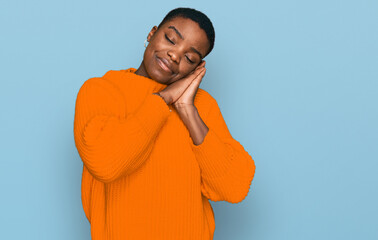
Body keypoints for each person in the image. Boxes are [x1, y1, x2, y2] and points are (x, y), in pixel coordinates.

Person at [73, 7, 255, 240]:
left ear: (197, 68)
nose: (175, 55)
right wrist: (163, 100)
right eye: (171, 39)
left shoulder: (202, 106)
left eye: (190, 57)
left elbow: (234, 187)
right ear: (152, 33)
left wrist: (187, 110)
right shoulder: (101, 90)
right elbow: (106, 163)